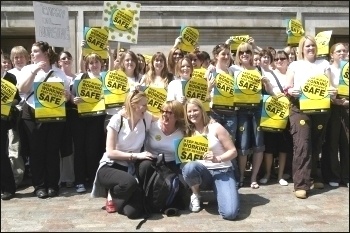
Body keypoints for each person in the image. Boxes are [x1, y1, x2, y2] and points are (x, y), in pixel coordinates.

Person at [17, 41, 71, 198]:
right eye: (31, 51)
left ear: (46, 53)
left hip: (53, 115)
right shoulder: (28, 69)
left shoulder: (58, 72)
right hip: (32, 114)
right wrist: (35, 70)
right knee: (36, 151)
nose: (32, 54)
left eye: (35, 51)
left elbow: (66, 95)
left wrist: (66, 96)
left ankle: (53, 185)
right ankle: (39, 186)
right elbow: (22, 89)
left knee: (52, 151)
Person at [285, 35, 337, 199]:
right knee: (302, 144)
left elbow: (331, 86)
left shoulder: (324, 64)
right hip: (299, 108)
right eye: (307, 46)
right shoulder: (294, 64)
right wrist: (290, 90)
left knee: (316, 144)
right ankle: (301, 184)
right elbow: (287, 86)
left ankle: (312, 177)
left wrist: (332, 91)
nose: (310, 49)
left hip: (321, 109)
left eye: (313, 46)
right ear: (301, 48)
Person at [91, 90, 156, 219]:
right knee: (130, 182)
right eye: (143, 105)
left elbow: (166, 119)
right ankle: (111, 191)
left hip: (129, 168)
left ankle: (120, 196)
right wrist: (136, 156)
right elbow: (110, 152)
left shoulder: (146, 117)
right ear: (133, 105)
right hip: (111, 166)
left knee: (133, 213)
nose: (146, 107)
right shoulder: (117, 119)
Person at [181, 98, 240, 220]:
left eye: (195, 110)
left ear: (202, 110)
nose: (192, 114)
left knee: (230, 214)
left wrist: (217, 158)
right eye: (189, 111)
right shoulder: (187, 131)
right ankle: (196, 194)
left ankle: (224, 190)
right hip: (202, 174)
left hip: (222, 171)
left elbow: (233, 152)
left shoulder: (216, 127)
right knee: (189, 167)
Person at [137, 100, 189, 211]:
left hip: (172, 163)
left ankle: (167, 205)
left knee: (182, 186)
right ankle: (143, 199)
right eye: (163, 111)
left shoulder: (183, 131)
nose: (165, 114)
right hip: (152, 161)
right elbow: (138, 112)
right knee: (144, 167)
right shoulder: (152, 125)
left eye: (169, 112)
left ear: (178, 116)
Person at [71, 52, 106, 193]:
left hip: (97, 118)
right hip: (81, 119)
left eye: (96, 62)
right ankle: (79, 180)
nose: (94, 65)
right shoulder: (81, 77)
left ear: (101, 64)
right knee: (80, 149)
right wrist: (74, 99)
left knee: (93, 149)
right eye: (91, 63)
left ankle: (92, 179)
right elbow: (72, 95)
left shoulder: (105, 78)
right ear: (87, 65)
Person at [259, 50, 293, 186]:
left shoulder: (292, 73)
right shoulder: (268, 73)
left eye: (282, 58)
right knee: (270, 146)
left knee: (283, 147)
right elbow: (268, 91)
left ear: (287, 59)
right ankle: (268, 173)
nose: (279, 61)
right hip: (272, 113)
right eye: (277, 59)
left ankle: (280, 176)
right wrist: (267, 85)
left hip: (289, 113)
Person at [321, 42, 349, 188]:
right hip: (331, 109)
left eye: (344, 51)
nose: (342, 53)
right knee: (331, 143)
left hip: (347, 109)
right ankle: (332, 175)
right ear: (332, 54)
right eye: (338, 51)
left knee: (347, 143)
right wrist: (334, 99)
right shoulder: (327, 69)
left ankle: (346, 176)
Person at [7, 46, 30, 187]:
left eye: (21, 56)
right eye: (16, 57)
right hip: (14, 114)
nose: (19, 59)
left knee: (32, 144)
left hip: (31, 112)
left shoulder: (32, 70)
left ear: (26, 58)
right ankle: (17, 177)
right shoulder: (9, 74)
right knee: (14, 145)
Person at [1, 51, 21, 200]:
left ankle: (8, 187)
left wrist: (6, 102)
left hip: (2, 119)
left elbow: (17, 99)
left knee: (2, 154)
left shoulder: (10, 77)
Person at [57, 51, 76, 188]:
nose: (66, 60)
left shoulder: (77, 77)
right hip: (55, 114)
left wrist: (71, 97)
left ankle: (68, 176)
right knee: (56, 146)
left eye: (68, 57)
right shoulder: (55, 76)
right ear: (58, 61)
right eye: (63, 58)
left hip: (71, 115)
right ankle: (58, 177)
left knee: (69, 146)